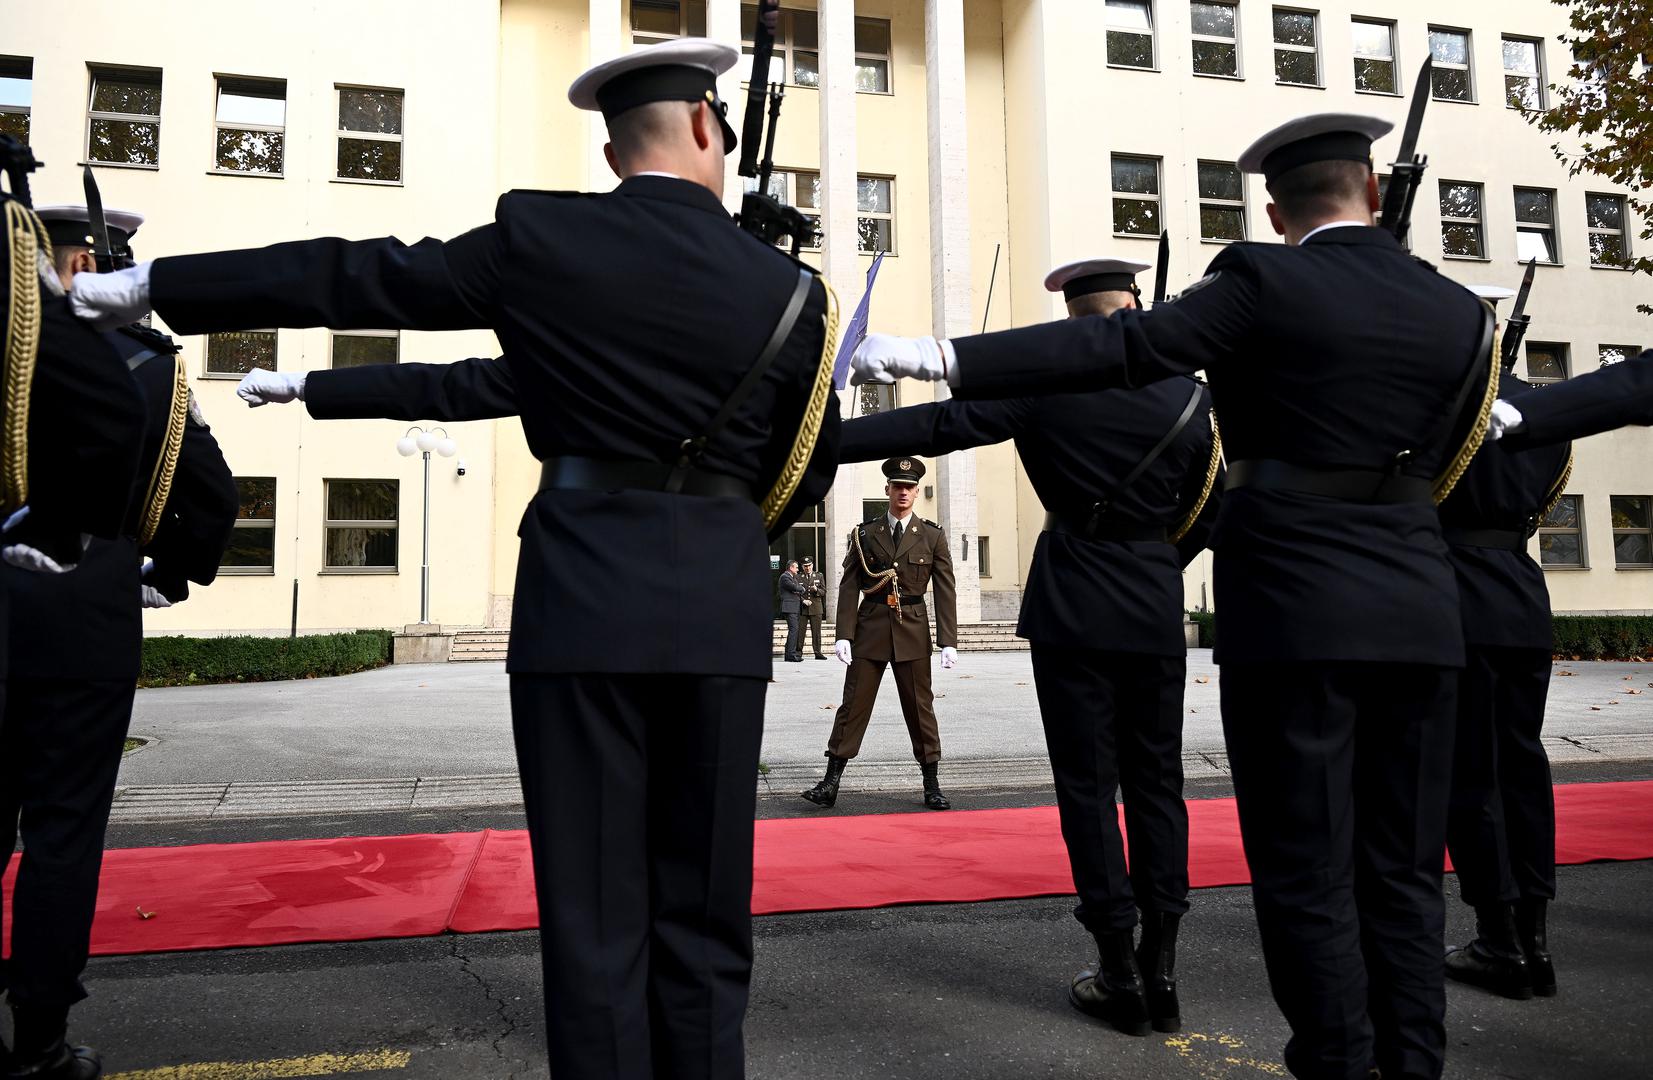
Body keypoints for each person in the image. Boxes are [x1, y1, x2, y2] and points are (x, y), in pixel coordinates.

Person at [76, 31, 841, 1079]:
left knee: (595, 921)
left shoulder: (542, 239)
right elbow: (811, 472)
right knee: (705, 916)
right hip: (715, 609)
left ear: (615, 153)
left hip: (579, 607)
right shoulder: (793, 294)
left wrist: (157, 284)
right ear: (708, 125)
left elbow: (355, 277)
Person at [850, 114, 1498, 1080]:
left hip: (1293, 616)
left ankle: (1335, 1062)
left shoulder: (1260, 282)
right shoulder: (1459, 311)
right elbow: (1452, 459)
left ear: (1273, 210)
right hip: (1418, 609)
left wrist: (931, 353)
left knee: (1308, 871)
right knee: (1404, 875)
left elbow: (1121, 349)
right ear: (1372, 191)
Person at [835, 256, 1221, 1036]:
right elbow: (1205, 509)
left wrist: (821, 444)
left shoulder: (1050, 385)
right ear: (1137, 307)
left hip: (1073, 597)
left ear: (1068, 325)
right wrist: (1148, 562)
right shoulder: (1192, 397)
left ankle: (1116, 968)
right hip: (1150, 600)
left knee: (1087, 786)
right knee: (1157, 782)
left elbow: (936, 427)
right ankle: (1164, 967)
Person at [1, 201, 238, 1080]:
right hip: (85, 604)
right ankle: (40, 1044)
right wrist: (164, 572)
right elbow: (209, 493)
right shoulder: (150, 366)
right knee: (63, 831)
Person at [1436, 284, 1570, 1003]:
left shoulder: (1438, 405)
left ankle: (1498, 939)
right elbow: (1538, 505)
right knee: (1522, 770)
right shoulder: (1547, 413)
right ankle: (1536, 938)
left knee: (1470, 776)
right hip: (1520, 598)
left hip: (1452, 595)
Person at [800, 456, 958, 811]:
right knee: (852, 706)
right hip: (870, 628)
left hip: (913, 629)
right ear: (887, 490)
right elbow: (849, 583)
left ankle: (931, 784)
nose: (902, 492)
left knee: (920, 709)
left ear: (916, 492)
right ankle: (830, 782)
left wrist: (948, 639)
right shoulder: (865, 533)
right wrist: (843, 633)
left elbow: (946, 589)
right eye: (897, 486)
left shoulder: (932, 536)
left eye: (909, 487)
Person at [796, 555, 827, 658]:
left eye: (809, 565)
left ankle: (817, 652)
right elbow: (795, 593)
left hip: (816, 608)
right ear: (802, 567)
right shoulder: (798, 577)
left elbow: (824, 591)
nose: (807, 568)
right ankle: (798, 652)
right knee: (800, 631)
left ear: (812, 565)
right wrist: (803, 600)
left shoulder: (819, 576)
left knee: (816, 632)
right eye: (805, 566)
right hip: (803, 608)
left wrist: (816, 590)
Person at [778, 558, 804, 662]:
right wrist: (800, 588)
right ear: (791, 567)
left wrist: (799, 588)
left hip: (794, 607)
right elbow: (795, 587)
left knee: (794, 630)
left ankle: (789, 654)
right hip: (790, 608)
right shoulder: (785, 577)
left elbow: (796, 588)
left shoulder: (792, 577)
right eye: (796, 567)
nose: (798, 569)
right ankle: (791, 654)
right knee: (793, 630)